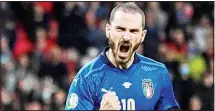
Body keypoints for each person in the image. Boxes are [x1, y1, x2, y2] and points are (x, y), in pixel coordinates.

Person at [65, 2, 180, 110]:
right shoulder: (86, 78)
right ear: (108, 30)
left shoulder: (158, 73)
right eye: (120, 29)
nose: (126, 36)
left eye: (133, 31)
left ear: (142, 36)